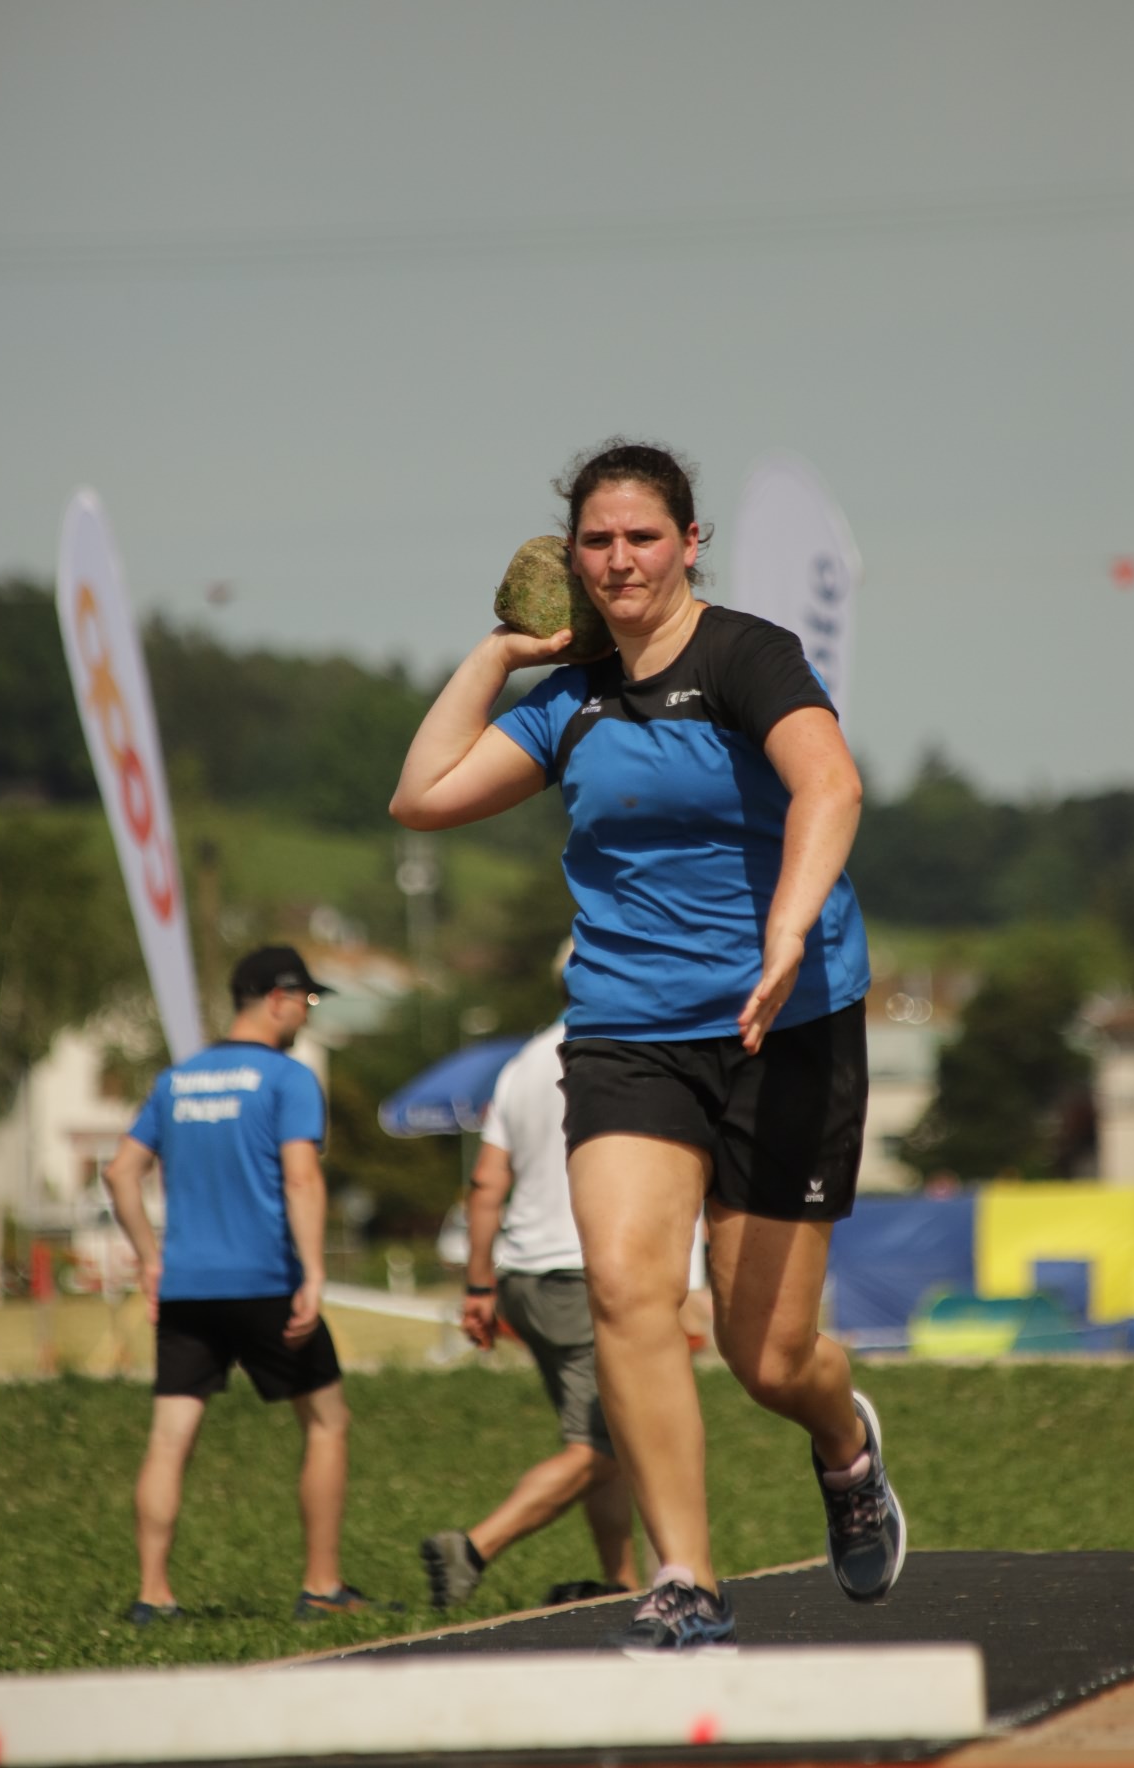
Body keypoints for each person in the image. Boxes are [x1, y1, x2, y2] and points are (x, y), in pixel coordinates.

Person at [390, 441, 905, 1651]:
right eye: (597, 540)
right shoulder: (569, 700)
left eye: (641, 536)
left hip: (787, 1020)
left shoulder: (744, 656)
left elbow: (829, 788)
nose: (619, 559)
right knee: (626, 1289)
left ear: (687, 543)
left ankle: (844, 1447)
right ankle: (685, 1577)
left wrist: (786, 930)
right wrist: (499, 654)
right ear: (571, 556)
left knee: (764, 1354)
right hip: (627, 1029)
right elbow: (422, 794)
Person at [103, 944, 400, 1625]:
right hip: (266, 1281)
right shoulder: (287, 1078)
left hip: (188, 1288)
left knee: (169, 1438)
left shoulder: (176, 1080)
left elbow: (119, 1173)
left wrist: (150, 1259)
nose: (308, 1014)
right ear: (279, 999)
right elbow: (301, 1177)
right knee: (326, 1423)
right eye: (308, 1000)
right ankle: (321, 1586)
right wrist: (315, 1273)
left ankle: (153, 1595)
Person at [421, 1011, 641, 1612]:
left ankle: (622, 1581)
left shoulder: (522, 1063)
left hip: (523, 1277)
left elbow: (487, 1183)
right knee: (611, 1443)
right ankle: (474, 1548)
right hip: (582, 1271)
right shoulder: (625, 1045)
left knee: (595, 1436)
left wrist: (478, 1285)